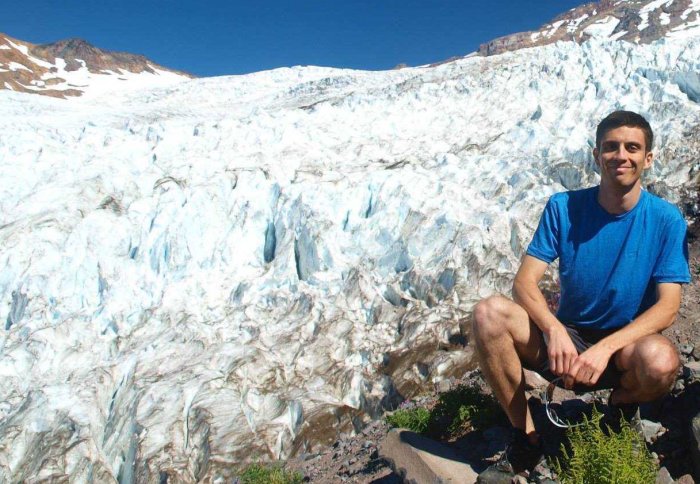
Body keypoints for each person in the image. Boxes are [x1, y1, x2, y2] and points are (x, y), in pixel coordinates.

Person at [472, 110, 691, 479]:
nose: (621, 155)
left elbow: (668, 307)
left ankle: (620, 406)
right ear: (596, 155)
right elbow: (524, 282)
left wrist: (605, 349)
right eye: (611, 147)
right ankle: (526, 437)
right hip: (566, 342)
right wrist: (554, 330)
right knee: (488, 313)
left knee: (662, 361)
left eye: (632, 147)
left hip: (624, 348)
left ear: (648, 159)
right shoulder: (564, 207)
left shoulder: (666, 219)